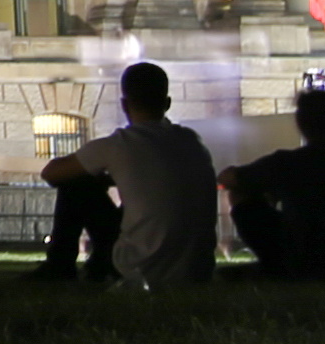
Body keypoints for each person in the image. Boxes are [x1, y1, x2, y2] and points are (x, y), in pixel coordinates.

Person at [41, 61, 219, 288]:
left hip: (138, 266)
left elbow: (52, 174)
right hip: (197, 270)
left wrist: (101, 178)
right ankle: (89, 265)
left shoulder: (118, 145)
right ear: (167, 103)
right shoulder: (191, 140)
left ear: (124, 105)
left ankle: (60, 266)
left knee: (75, 183)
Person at [221, 88, 325, 280]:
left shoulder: (287, 163)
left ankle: (275, 266)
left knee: (240, 194)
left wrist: (266, 192)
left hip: (304, 261)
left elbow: (228, 178)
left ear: (300, 122)